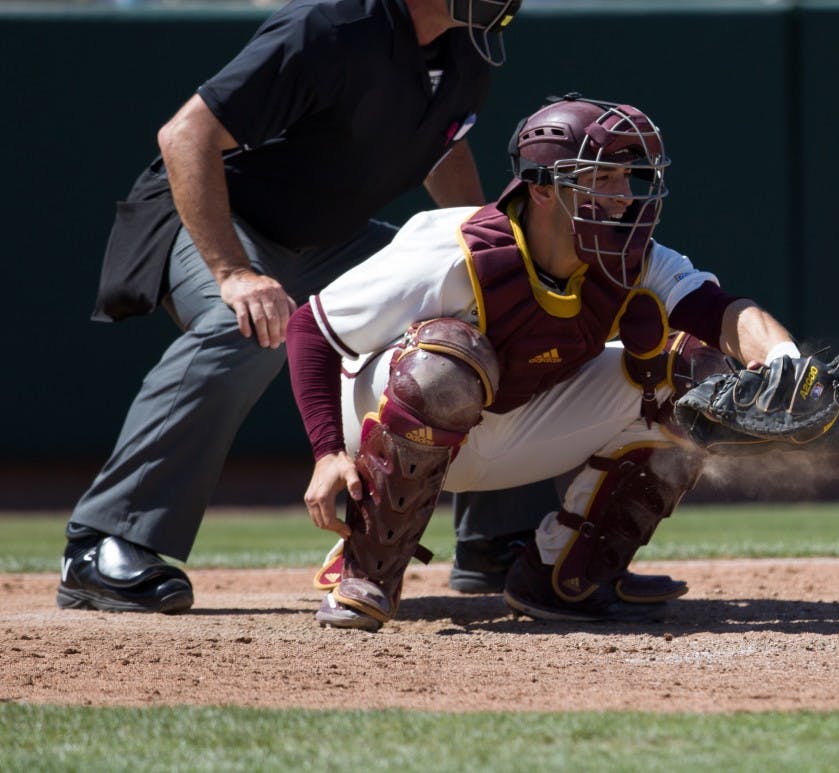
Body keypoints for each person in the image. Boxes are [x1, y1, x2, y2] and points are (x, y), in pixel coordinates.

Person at [56, 0, 534, 615]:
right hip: (219, 221)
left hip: (328, 239)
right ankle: (103, 541)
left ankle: (495, 539)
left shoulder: (467, 49)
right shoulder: (328, 27)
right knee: (248, 324)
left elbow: (445, 151)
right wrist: (232, 273)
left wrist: (479, 258)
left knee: (490, 302)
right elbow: (186, 135)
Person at [285, 93, 829, 631]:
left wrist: (782, 360)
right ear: (543, 189)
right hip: (383, 421)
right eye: (601, 180)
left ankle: (564, 578)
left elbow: (720, 311)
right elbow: (310, 326)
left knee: (694, 373)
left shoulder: (633, 255)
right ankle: (367, 570)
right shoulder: (453, 247)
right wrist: (327, 451)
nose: (622, 198)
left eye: (627, 177)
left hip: (509, 431)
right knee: (446, 360)